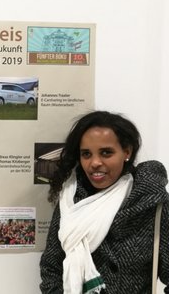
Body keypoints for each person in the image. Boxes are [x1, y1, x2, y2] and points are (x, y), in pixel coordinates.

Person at [39, 110, 169, 293]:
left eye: (106, 153)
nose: (94, 163)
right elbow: (51, 269)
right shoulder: (71, 201)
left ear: (127, 152)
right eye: (86, 154)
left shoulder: (153, 202)